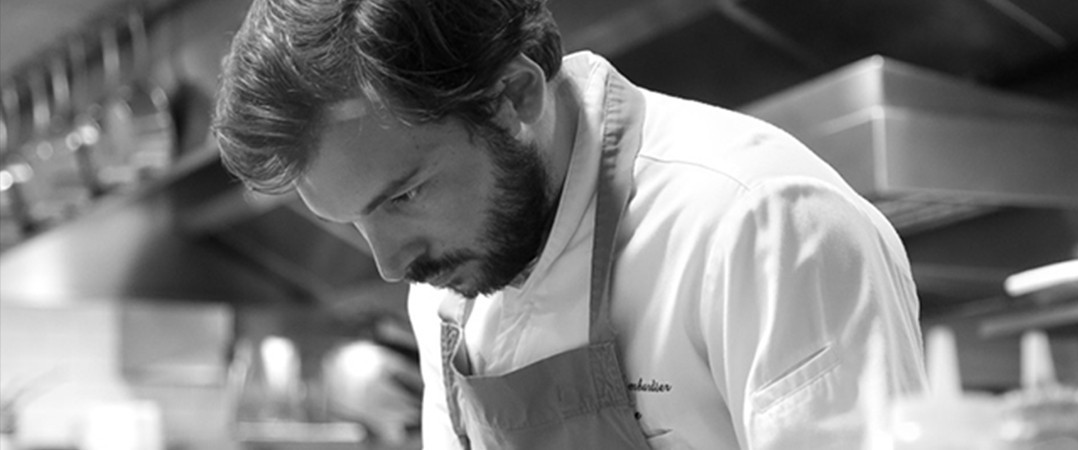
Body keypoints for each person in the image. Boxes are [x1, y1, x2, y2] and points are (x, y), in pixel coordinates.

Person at [212, 0, 927, 448]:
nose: (391, 265)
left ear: (516, 96)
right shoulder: (447, 293)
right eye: (355, 219)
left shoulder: (758, 225)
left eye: (402, 197)